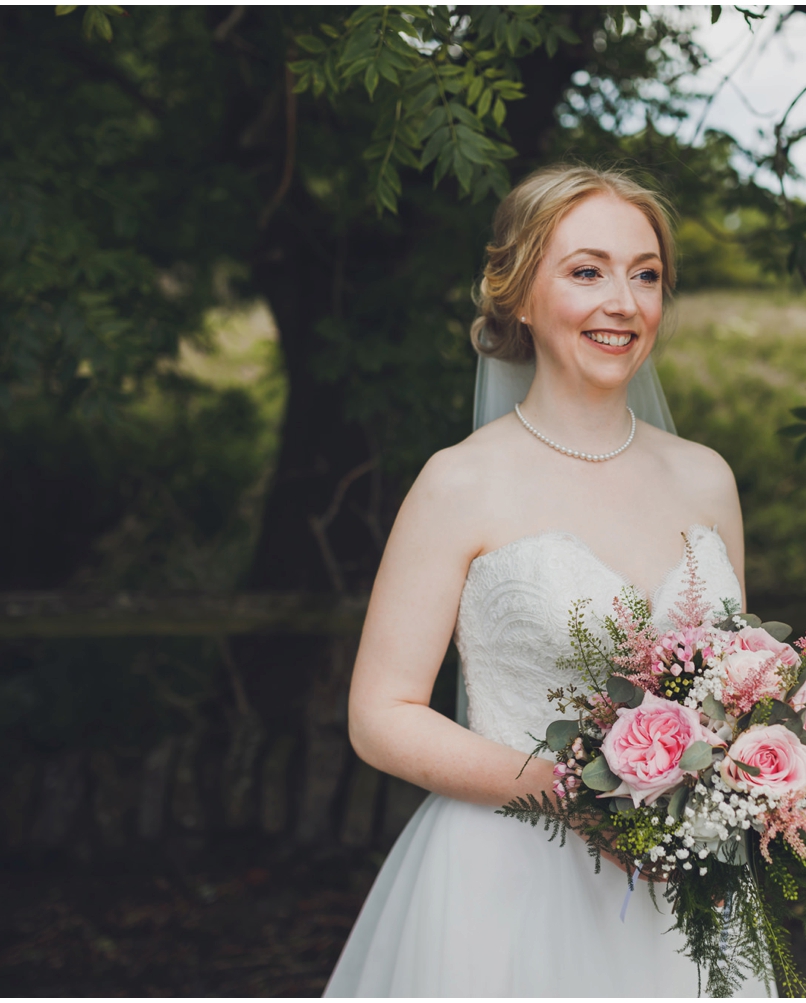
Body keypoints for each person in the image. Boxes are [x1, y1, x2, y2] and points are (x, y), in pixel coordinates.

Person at [323, 165, 767, 997]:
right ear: (520, 296)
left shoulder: (708, 479)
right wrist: (575, 792)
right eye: (587, 271)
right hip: (502, 880)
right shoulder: (459, 483)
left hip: (680, 891)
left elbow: (737, 686)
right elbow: (379, 716)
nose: (624, 302)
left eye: (646, 275)